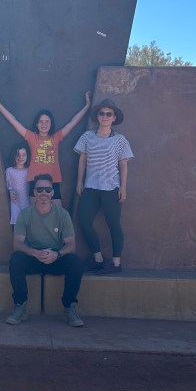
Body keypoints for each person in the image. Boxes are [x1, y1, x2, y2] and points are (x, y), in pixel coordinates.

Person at [5, 173, 85, 327]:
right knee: (16, 259)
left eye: (47, 190)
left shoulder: (63, 215)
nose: (43, 193)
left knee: (75, 262)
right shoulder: (25, 214)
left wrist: (57, 254)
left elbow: (71, 245)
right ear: (34, 192)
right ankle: (20, 306)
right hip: (33, 257)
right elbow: (17, 243)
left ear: (52, 193)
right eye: (40, 189)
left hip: (55, 258)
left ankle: (69, 307)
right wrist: (35, 252)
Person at [0, 88, 91, 206]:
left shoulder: (56, 137)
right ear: (36, 124)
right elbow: (14, 121)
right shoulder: (31, 137)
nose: (44, 124)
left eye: (47, 122)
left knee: (56, 213)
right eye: (41, 121)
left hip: (53, 180)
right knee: (35, 215)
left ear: (51, 124)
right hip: (35, 180)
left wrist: (87, 106)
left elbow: (73, 122)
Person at [74, 98, 134, 274]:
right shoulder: (87, 137)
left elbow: (123, 164)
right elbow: (82, 159)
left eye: (109, 114)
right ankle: (98, 259)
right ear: (97, 116)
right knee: (84, 220)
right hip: (91, 187)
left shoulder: (120, 140)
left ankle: (116, 263)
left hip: (111, 187)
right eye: (102, 113)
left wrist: (123, 187)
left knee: (114, 224)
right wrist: (79, 182)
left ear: (114, 117)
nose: (105, 116)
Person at [4, 142, 30, 227]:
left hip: (28, 203)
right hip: (15, 203)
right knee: (18, 228)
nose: (21, 157)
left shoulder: (29, 170)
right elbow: (8, 186)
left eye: (23, 155)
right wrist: (10, 191)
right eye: (18, 155)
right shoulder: (9, 171)